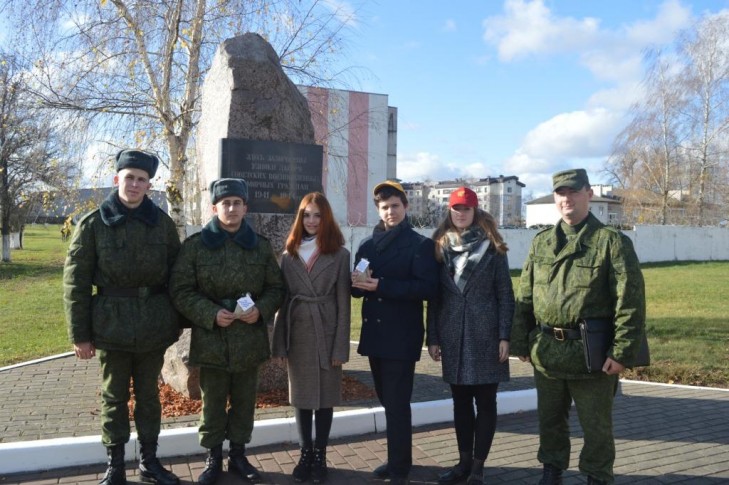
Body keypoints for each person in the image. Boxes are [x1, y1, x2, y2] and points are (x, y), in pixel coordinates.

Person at [511, 169, 646, 485]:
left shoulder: (610, 242)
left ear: (588, 194)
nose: (566, 198)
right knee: (550, 421)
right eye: (560, 193)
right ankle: (552, 469)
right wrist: (521, 342)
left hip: (592, 356)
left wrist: (622, 351)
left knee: (596, 426)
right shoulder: (542, 242)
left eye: (573, 191)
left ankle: (597, 476)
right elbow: (526, 294)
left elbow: (631, 302)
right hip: (547, 352)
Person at [63, 149, 181, 485]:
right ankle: (115, 465)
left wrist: (177, 323)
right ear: (117, 179)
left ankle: (149, 460)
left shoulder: (162, 224)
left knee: (148, 397)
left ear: (149, 185)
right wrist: (80, 335)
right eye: (129, 177)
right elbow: (76, 283)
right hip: (110, 325)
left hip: (152, 325)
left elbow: (178, 276)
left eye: (141, 179)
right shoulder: (93, 224)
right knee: (114, 398)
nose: (134, 184)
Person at [169, 178, 285, 485]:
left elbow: (276, 287)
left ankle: (238, 454)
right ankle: (212, 457)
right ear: (214, 207)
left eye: (237, 203)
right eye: (225, 203)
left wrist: (260, 309)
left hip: (248, 339)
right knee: (213, 401)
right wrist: (209, 313)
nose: (231, 209)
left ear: (245, 207)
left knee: (246, 401)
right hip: (212, 340)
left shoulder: (260, 247)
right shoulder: (195, 247)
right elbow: (180, 290)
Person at [351, 180, 439, 485]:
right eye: (385, 207)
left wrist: (382, 286)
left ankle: (400, 465)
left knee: (398, 403)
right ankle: (395, 459)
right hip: (375, 336)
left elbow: (427, 288)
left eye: (396, 206)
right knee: (387, 400)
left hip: (401, 336)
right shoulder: (367, 245)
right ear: (378, 209)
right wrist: (357, 283)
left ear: (406, 207)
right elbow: (357, 288)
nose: (391, 212)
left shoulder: (420, 245)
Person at [426, 187, 515, 485]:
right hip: (452, 336)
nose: (460, 213)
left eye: (466, 208)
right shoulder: (439, 248)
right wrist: (433, 337)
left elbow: (505, 295)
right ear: (449, 211)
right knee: (460, 402)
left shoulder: (492, 248)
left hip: (486, 336)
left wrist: (505, 336)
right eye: (455, 208)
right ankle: (463, 463)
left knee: (486, 402)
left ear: (475, 211)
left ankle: (478, 467)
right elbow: (434, 298)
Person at [272, 192, 351, 484]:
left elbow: (344, 303)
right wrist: (279, 344)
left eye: (318, 215)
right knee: (302, 399)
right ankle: (305, 453)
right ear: (300, 218)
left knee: (326, 399)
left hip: (327, 331)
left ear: (326, 217)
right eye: (307, 214)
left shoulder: (340, 254)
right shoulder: (288, 254)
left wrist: (340, 347)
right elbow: (283, 301)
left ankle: (321, 454)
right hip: (299, 332)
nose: (312, 220)